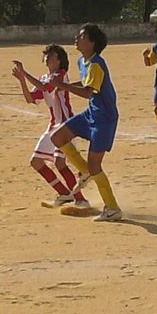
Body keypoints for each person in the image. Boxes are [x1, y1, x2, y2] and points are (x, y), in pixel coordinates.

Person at [50, 24, 122, 222]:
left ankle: (112, 208)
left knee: (95, 164)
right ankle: (85, 171)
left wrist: (62, 85)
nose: (76, 38)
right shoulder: (83, 61)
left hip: (104, 118)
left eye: (81, 36)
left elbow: (89, 92)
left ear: (92, 42)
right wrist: (65, 86)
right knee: (58, 137)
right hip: (92, 113)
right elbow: (86, 83)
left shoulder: (97, 64)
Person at [11, 44, 89, 209]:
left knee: (60, 163)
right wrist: (22, 80)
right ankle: (64, 194)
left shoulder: (60, 75)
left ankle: (81, 200)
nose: (47, 58)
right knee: (36, 162)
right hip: (53, 125)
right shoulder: (45, 77)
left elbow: (46, 88)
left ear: (59, 60)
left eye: (51, 55)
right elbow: (30, 98)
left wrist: (24, 73)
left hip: (66, 125)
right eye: (46, 55)